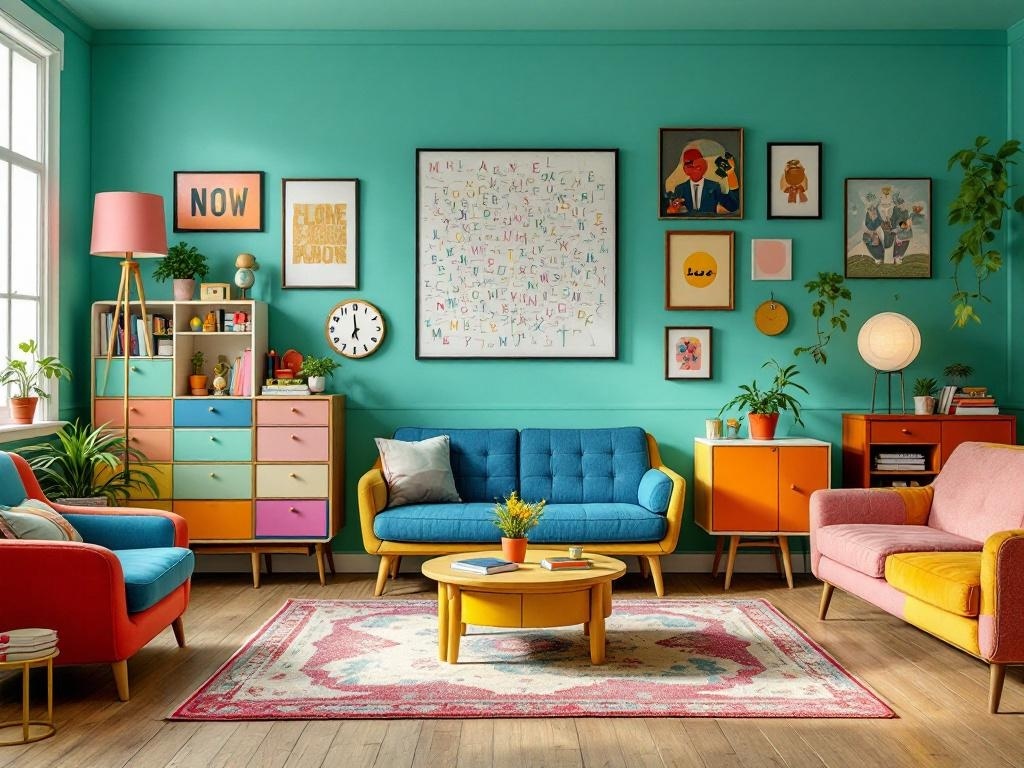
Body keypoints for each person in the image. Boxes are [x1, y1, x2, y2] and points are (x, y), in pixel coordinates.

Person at [663, 138, 740, 217]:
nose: (695, 169)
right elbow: (669, 211)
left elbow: (733, 206)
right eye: (690, 165)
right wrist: (671, 211)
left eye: (698, 166)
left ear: (705, 165)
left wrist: (731, 175)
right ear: (684, 169)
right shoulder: (680, 189)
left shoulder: (714, 187)